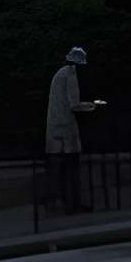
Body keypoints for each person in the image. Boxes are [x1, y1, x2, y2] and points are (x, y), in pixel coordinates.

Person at [45, 46, 98, 213]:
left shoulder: (59, 73)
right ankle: (73, 205)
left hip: (55, 128)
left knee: (57, 169)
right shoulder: (70, 74)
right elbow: (74, 104)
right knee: (72, 169)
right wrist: (92, 106)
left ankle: (57, 203)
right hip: (65, 128)